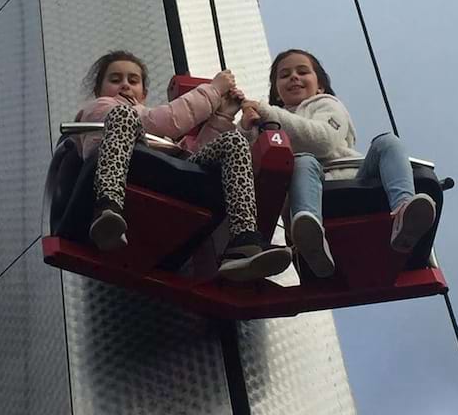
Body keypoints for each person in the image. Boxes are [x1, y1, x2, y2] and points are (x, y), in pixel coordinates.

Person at [74, 50, 291, 282]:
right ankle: (108, 208)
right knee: (124, 114)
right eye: (115, 80)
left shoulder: (156, 133)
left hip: (162, 176)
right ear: (99, 91)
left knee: (234, 142)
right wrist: (214, 89)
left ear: (144, 93)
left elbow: (191, 159)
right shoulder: (102, 108)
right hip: (125, 169)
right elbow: (169, 122)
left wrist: (223, 117)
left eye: (133, 81)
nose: (125, 86)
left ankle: (244, 241)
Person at [239, 48, 436, 277]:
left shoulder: (326, 105)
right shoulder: (268, 124)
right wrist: (245, 127)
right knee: (303, 162)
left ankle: (404, 212)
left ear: (320, 86)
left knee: (388, 142)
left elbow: (323, 141)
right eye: (284, 75)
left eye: (302, 72)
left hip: (355, 178)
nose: (293, 77)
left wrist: (266, 111)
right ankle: (311, 234)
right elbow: (247, 166)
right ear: (277, 93)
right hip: (314, 188)